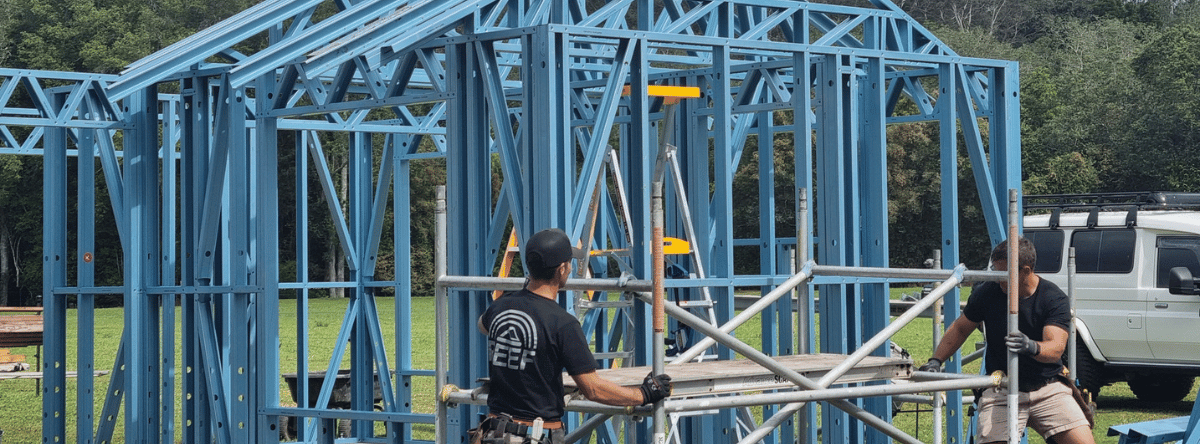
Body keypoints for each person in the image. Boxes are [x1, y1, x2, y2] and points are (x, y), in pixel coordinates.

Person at [474, 228, 673, 444]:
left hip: (493, 433)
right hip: (531, 436)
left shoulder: (500, 307)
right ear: (562, 269)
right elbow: (593, 389)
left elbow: (482, 326)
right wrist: (643, 394)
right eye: (569, 264)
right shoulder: (562, 323)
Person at [920, 237, 1095, 444]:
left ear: (1026, 271)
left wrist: (1030, 346)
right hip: (1001, 388)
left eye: (1005, 274)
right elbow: (960, 328)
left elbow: (1055, 348)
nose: (999, 278)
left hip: (1048, 387)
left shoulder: (1052, 298)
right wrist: (935, 361)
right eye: (996, 271)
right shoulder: (988, 292)